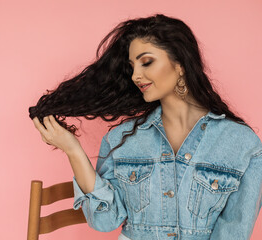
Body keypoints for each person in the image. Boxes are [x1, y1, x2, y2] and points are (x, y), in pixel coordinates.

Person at [29, 13, 262, 240]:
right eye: (132, 67)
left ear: (180, 64)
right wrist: (73, 151)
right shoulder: (121, 139)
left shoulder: (243, 145)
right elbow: (105, 221)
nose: (136, 76)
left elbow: (235, 231)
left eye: (146, 62)